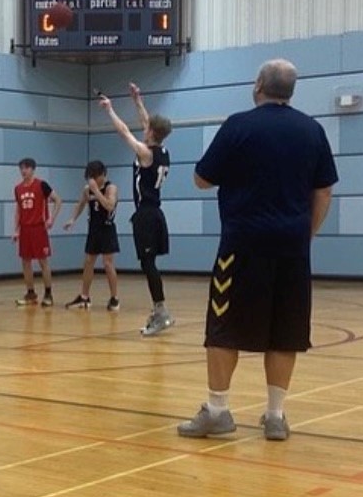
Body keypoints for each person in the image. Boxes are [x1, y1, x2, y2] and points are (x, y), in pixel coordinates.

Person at [178, 59, 338, 441]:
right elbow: (323, 191)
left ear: (258, 85)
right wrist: (305, 235)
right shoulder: (312, 130)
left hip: (242, 246)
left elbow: (201, 179)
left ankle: (218, 411)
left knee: (223, 328)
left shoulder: (238, 126)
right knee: (286, 331)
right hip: (292, 248)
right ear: (291, 90)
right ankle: (276, 416)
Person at [99, 85, 174, 335]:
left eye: (147, 127)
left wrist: (110, 110)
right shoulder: (162, 151)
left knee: (148, 264)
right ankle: (159, 310)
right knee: (148, 263)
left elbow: (124, 132)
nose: (144, 127)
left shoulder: (145, 153)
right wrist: (137, 99)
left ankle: (161, 312)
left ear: (151, 132)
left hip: (146, 215)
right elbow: (145, 121)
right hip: (155, 213)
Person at [63, 160, 120, 311]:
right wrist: (72, 219)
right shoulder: (87, 190)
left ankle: (114, 298)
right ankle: (84, 297)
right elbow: (81, 204)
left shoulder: (111, 188)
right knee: (88, 261)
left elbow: (109, 205)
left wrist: (96, 191)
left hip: (107, 228)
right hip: (94, 229)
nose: (93, 180)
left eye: (95, 176)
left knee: (107, 263)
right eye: (91, 177)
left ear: (103, 174)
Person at [13, 158, 62, 307]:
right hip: (25, 229)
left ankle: (48, 294)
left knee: (42, 261)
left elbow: (58, 200)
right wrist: (16, 230)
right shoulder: (18, 188)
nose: (23, 171)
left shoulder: (41, 185)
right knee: (25, 261)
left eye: (26, 168)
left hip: (39, 228)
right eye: (21, 168)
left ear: (33, 169)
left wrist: (52, 218)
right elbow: (18, 210)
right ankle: (31, 294)